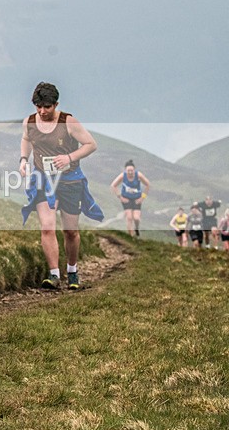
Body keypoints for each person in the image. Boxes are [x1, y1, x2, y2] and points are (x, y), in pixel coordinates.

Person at [20, 82, 102, 290]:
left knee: (70, 231)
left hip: (69, 180)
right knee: (47, 226)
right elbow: (26, 139)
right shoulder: (29, 122)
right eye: (38, 106)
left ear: (56, 104)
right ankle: (54, 274)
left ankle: (72, 271)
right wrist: (23, 159)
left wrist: (69, 157)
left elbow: (91, 144)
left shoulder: (68, 122)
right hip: (43, 179)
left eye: (47, 107)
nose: (42, 111)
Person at [110, 160, 150, 238]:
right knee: (129, 217)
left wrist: (142, 198)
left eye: (132, 170)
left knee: (136, 218)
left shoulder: (138, 175)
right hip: (126, 199)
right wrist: (120, 197)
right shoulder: (122, 176)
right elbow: (113, 185)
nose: (130, 172)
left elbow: (148, 185)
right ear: (125, 170)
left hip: (137, 199)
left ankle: (136, 228)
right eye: (128, 171)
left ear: (134, 170)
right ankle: (131, 236)